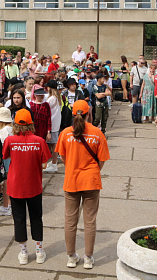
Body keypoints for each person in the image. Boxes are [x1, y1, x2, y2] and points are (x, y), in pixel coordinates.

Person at [56, 100, 110, 270]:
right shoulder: (97, 133)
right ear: (89, 113)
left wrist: (73, 166)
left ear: (73, 114)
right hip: (91, 180)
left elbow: (63, 158)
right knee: (90, 221)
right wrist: (92, 170)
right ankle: (88, 257)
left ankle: (71, 257)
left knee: (70, 220)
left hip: (72, 180)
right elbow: (101, 160)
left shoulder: (65, 133)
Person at [3, 109, 52, 265]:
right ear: (31, 123)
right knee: (36, 218)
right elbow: (45, 164)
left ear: (15, 124)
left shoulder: (10, 140)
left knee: (19, 219)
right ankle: (39, 251)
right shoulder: (39, 141)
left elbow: (5, 156)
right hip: (34, 185)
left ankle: (23, 253)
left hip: (15, 185)